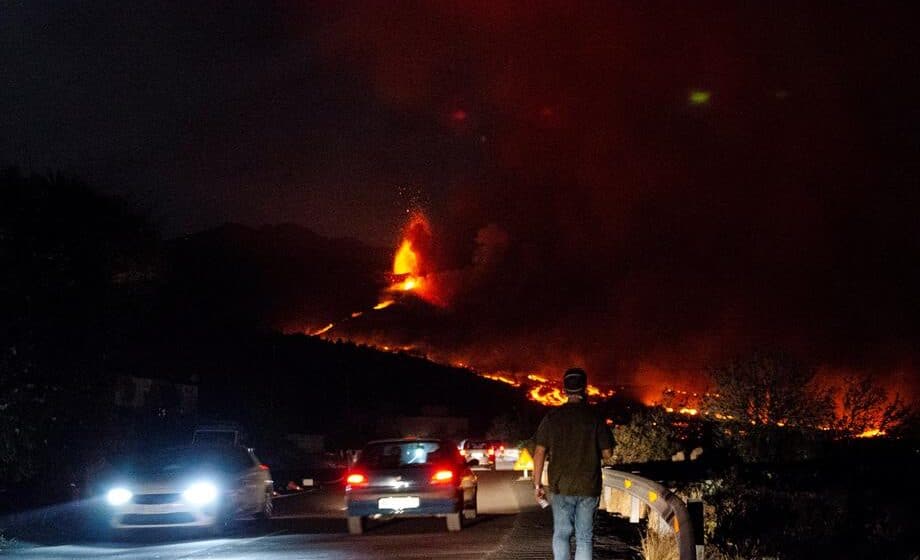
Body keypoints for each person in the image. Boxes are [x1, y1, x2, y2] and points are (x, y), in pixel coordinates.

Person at [533, 367, 614, 560]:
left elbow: (539, 451)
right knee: (584, 537)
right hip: (588, 486)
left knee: (561, 534)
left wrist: (537, 484)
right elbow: (608, 453)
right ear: (584, 388)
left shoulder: (552, 418)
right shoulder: (594, 417)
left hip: (561, 487)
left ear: (564, 390)